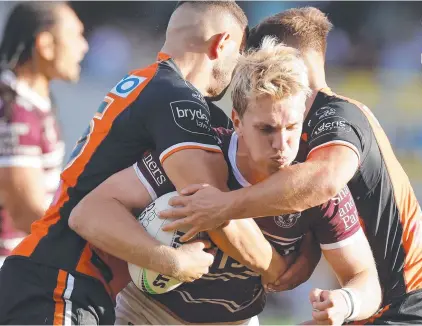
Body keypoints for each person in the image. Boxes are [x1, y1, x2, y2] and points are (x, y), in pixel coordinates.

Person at [161, 7, 422, 325]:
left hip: (414, 305)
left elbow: (324, 182)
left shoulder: (338, 115)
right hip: (385, 307)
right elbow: (316, 199)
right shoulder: (304, 132)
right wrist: (310, 248)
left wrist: (224, 206)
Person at [0, 2, 278, 325]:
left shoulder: (145, 82)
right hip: (62, 284)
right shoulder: (179, 99)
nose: (237, 67)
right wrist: (275, 267)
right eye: (239, 52)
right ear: (222, 43)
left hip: (52, 279)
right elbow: (210, 206)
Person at [77, 37, 381, 325]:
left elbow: (365, 278)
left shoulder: (314, 183)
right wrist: (169, 260)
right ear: (236, 121)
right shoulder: (196, 157)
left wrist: (345, 302)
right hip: (147, 313)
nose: (281, 143)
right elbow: (89, 212)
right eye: (266, 129)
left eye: (291, 127)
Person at [0, 2, 88, 265]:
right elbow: (24, 213)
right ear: (46, 45)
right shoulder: (14, 110)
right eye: (76, 35)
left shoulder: (31, 98)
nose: (83, 47)